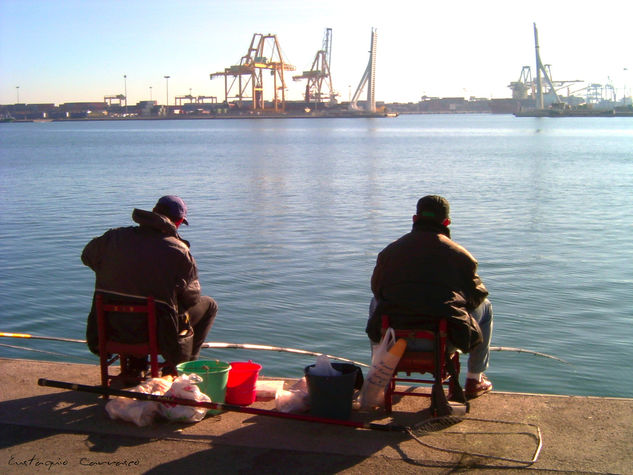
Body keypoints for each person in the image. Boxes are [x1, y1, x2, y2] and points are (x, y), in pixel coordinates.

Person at [366, 195, 493, 399]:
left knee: (376, 302)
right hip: (443, 340)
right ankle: (474, 379)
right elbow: (477, 295)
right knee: (485, 307)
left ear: (415, 219)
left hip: (394, 339)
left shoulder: (390, 252)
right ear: (446, 223)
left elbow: (377, 290)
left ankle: (380, 371)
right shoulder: (461, 256)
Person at [82, 195, 218, 378]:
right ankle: (181, 369)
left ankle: (135, 366)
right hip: (158, 336)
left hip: (110, 329)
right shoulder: (178, 250)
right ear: (178, 221)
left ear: (153, 212)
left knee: (137, 303)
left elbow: (86, 257)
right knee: (208, 305)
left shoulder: (112, 237)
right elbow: (191, 298)